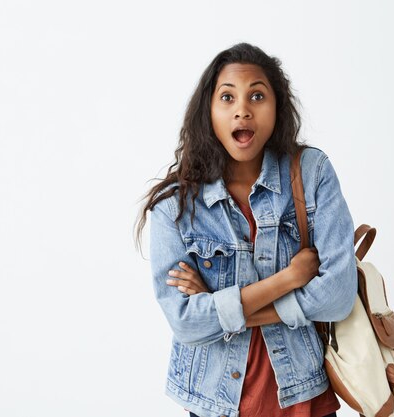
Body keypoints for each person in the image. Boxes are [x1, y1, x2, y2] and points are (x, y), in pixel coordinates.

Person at [134, 43, 357, 417]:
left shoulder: (312, 173)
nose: (243, 109)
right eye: (227, 97)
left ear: (277, 107)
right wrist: (290, 278)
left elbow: (338, 295)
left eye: (257, 95)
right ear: (209, 111)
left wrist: (221, 306)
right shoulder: (173, 207)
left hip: (303, 398)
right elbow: (187, 324)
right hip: (215, 403)